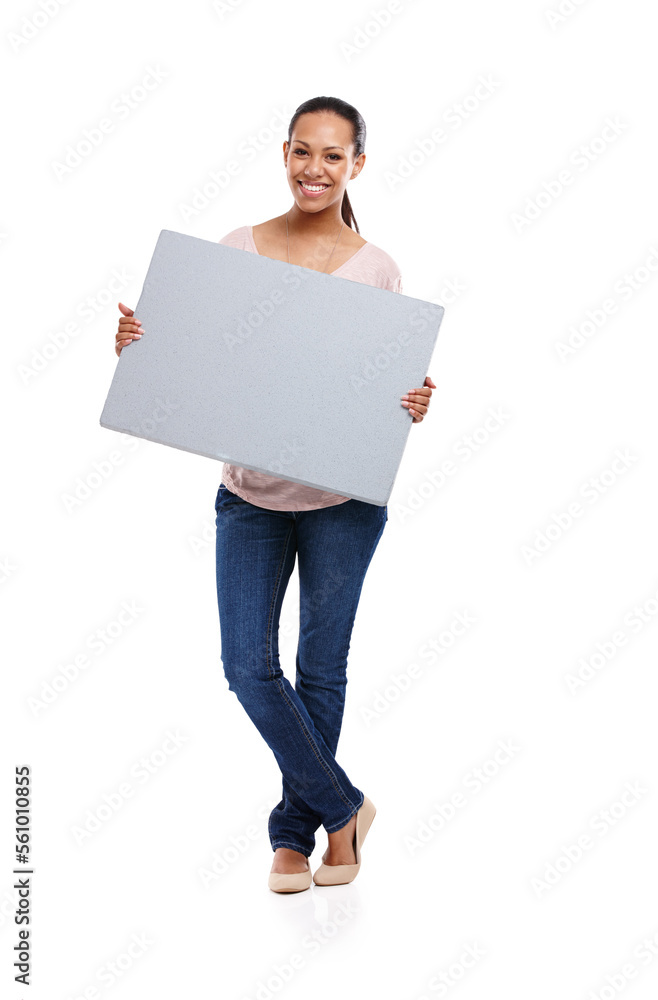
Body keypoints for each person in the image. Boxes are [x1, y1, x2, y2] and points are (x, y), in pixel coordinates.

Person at [115, 96, 436, 893]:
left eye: (333, 156)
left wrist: (411, 402)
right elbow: (192, 366)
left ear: (356, 165)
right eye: (302, 151)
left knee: (318, 672)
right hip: (250, 496)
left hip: (342, 504)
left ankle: (294, 838)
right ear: (283, 154)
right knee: (248, 666)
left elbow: (378, 387)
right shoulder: (237, 250)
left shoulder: (377, 267)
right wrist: (139, 348)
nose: (314, 169)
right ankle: (345, 806)